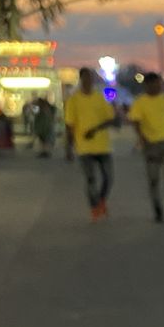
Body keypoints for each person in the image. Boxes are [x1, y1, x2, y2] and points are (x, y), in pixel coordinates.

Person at [64, 68, 116, 220]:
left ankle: (101, 200)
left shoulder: (99, 98)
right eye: (86, 78)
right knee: (90, 179)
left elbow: (110, 119)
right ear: (81, 79)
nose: (89, 81)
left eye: (91, 78)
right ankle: (94, 207)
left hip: (103, 146)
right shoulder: (73, 100)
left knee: (109, 178)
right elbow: (70, 125)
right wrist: (69, 147)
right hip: (84, 147)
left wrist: (96, 129)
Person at [129, 72, 164, 223]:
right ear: (146, 85)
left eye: (158, 84)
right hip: (150, 144)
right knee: (154, 179)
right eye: (152, 84)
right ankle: (158, 208)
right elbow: (136, 122)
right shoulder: (140, 102)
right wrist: (142, 139)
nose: (156, 87)